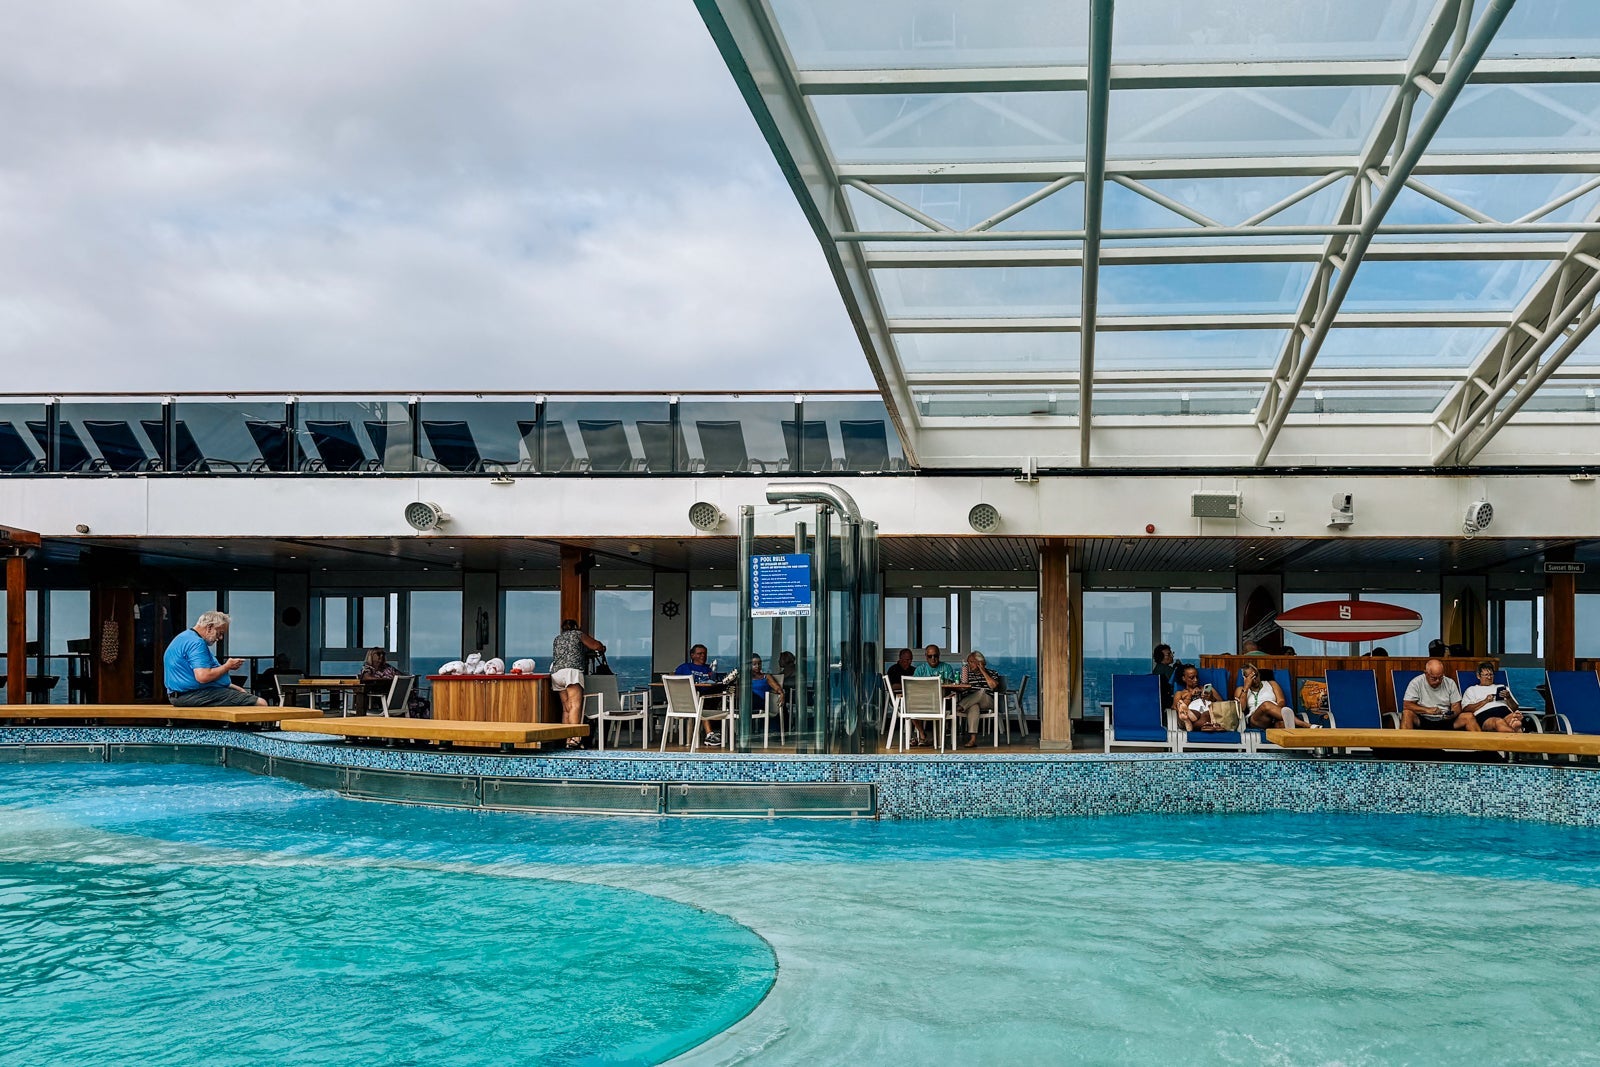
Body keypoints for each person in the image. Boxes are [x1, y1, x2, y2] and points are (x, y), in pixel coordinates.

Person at [163, 610, 267, 708]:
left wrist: (237, 688)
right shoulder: (196, 643)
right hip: (191, 695)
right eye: (220, 633)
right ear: (209, 627)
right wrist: (227, 666)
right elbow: (203, 676)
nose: (220, 638)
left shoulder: (184, 637)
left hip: (182, 694)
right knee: (261, 703)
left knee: (243, 695)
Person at [551, 619, 605, 749]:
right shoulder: (578, 634)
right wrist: (603, 648)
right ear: (576, 627)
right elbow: (596, 646)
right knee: (575, 706)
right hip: (571, 672)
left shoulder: (557, 639)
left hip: (557, 673)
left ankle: (565, 739)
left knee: (566, 708)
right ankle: (575, 739)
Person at [673, 644, 728, 746]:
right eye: (699, 654)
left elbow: (716, 681)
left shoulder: (709, 669)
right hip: (687, 700)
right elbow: (676, 684)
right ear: (692, 655)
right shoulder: (684, 667)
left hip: (707, 698)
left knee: (715, 695)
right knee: (702, 701)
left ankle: (712, 732)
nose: (703, 656)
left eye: (704, 654)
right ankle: (709, 735)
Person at [1401, 658, 1475, 731]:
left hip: (1445, 720)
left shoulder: (1449, 683)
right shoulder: (1416, 682)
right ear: (1426, 673)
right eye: (1434, 678)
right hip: (1424, 718)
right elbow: (1406, 705)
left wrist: (1452, 714)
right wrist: (1427, 710)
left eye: (1440, 678)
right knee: (1407, 714)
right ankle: (1405, 742)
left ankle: (1481, 742)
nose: (1437, 681)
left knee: (1469, 717)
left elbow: (1457, 707)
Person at [1236, 663, 1309, 730]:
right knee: (1266, 705)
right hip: (1256, 720)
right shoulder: (1241, 690)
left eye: (1256, 675)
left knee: (1282, 725)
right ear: (1245, 678)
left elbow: (1281, 701)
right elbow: (1241, 709)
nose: (1255, 680)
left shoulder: (1271, 684)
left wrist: (1274, 711)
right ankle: (1305, 725)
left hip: (1274, 718)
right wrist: (1246, 687)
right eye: (1251, 678)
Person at [359, 647, 428, 715]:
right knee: (417, 705)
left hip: (396, 698)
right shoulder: (368, 668)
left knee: (425, 703)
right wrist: (386, 680)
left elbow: (401, 676)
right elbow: (366, 677)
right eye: (378, 654)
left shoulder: (388, 667)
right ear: (371, 656)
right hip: (380, 698)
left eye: (383, 653)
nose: (382, 655)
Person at [1461, 661, 1523, 733]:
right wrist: (1485, 701)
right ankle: (1516, 733)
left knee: (1516, 718)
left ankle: (1513, 729)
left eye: (1491, 674)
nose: (1489, 677)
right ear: (1478, 676)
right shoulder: (1471, 690)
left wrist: (1509, 697)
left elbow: (1515, 708)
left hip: (1505, 712)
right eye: (1486, 675)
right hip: (1486, 715)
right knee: (1499, 722)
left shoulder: (1501, 687)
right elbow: (1466, 709)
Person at [957, 650, 998, 748]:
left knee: (982, 692)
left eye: (971, 662)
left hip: (987, 701)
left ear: (979, 662)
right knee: (974, 706)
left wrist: (982, 670)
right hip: (971, 702)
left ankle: (959, 706)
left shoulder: (992, 673)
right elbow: (960, 687)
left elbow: (993, 686)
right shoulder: (967, 675)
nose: (968, 664)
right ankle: (972, 740)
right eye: (968, 662)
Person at [1172, 663, 1222, 732]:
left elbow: (1222, 704)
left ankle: (1190, 726)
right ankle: (1203, 725)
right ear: (1184, 678)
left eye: (1197, 677)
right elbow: (1175, 708)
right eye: (1192, 678)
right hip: (1192, 714)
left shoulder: (1208, 689)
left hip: (1207, 712)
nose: (1195, 680)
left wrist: (1211, 698)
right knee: (1194, 714)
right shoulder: (1180, 693)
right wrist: (1189, 696)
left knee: (1206, 714)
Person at [1151, 644, 1175, 709]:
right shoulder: (1168, 670)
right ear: (1161, 657)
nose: (1172, 656)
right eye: (1169, 654)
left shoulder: (1156, 669)